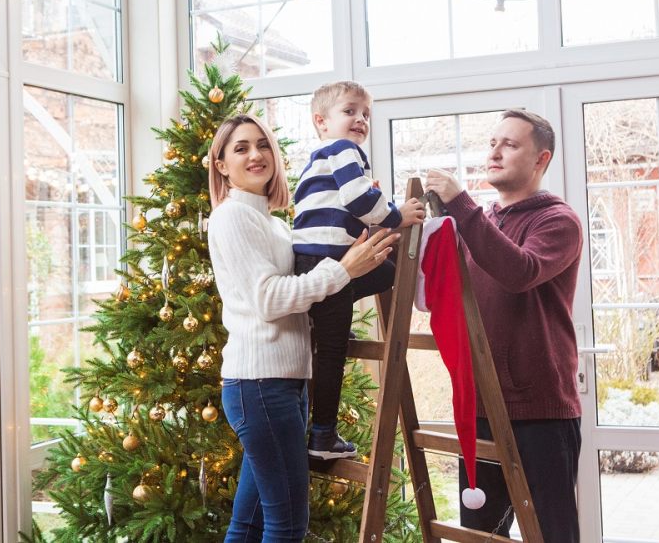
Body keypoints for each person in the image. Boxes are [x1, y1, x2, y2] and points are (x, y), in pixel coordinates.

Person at [207, 113, 400, 542]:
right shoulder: (231, 217)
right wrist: (343, 270)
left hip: (285, 383)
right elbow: (270, 300)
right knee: (287, 524)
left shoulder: (277, 224)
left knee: (250, 522)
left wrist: (362, 252)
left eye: (262, 144)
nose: (256, 154)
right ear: (221, 165)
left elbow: (308, 291)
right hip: (259, 384)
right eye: (241, 148)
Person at [424, 109, 584, 543]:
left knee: (553, 535)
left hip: (539, 412)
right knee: (482, 535)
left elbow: (520, 271)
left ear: (540, 160)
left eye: (510, 144)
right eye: (493, 142)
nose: (495, 151)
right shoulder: (483, 224)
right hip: (480, 406)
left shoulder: (558, 221)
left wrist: (461, 204)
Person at [292, 81, 425, 460]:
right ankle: (322, 436)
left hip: (314, 260)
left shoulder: (317, 158)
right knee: (332, 351)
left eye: (365, 114)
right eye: (349, 111)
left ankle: (333, 309)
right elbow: (359, 198)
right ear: (321, 121)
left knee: (384, 270)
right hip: (327, 261)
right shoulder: (344, 149)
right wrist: (399, 215)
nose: (360, 120)